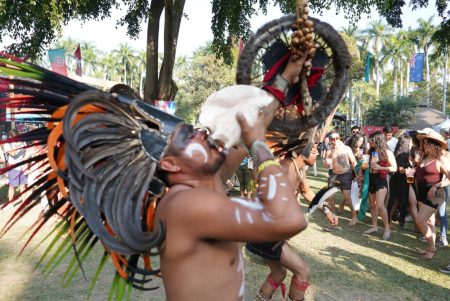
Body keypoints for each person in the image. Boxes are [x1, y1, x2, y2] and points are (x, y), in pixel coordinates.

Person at [154, 57, 309, 300]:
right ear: (170, 164)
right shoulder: (182, 204)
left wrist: (287, 76)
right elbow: (291, 219)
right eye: (188, 137)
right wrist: (259, 146)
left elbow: (258, 122)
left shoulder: (211, 177)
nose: (201, 134)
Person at [412, 130, 450, 260]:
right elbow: (421, 174)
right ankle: (429, 248)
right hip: (421, 191)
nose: (423, 146)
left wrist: (436, 185)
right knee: (429, 221)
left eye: (426, 143)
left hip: (435, 193)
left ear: (434, 145)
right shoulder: (424, 157)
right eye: (423, 143)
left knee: (420, 220)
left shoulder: (440, 159)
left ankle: (432, 247)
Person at [365, 131, 397, 240]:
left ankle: (387, 228)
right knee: (372, 205)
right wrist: (364, 166)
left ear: (379, 141)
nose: (371, 143)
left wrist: (381, 168)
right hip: (371, 178)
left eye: (373, 141)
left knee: (380, 205)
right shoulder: (371, 151)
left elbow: (394, 168)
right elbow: (367, 166)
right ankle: (374, 227)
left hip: (381, 179)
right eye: (370, 141)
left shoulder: (387, 153)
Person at [324, 132, 357, 226]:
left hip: (345, 174)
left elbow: (353, 162)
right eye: (332, 139)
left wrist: (357, 174)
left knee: (347, 197)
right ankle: (334, 215)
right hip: (333, 174)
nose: (334, 141)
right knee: (330, 196)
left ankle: (354, 216)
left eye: (336, 138)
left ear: (339, 138)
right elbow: (326, 164)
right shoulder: (329, 150)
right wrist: (326, 162)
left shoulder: (346, 148)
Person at [387, 135, 413, 228]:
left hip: (404, 180)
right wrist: (409, 170)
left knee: (399, 201)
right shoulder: (399, 155)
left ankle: (397, 220)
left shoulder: (406, 154)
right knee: (395, 201)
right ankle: (389, 221)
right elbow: (399, 169)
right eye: (410, 142)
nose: (412, 144)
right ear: (406, 144)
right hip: (399, 180)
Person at [3, 129, 28, 206]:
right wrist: (17, 145)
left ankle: (24, 203)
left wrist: (26, 165)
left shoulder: (23, 142)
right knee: (12, 186)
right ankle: (10, 203)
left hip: (22, 167)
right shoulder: (7, 144)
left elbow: (26, 153)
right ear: (10, 137)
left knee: (23, 186)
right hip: (13, 168)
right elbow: (13, 154)